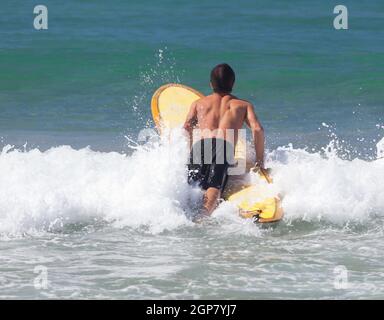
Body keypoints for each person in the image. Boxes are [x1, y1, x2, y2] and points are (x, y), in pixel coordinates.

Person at [183, 63, 265, 217]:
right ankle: (203, 218)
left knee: (192, 184)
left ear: (210, 84)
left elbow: (187, 127)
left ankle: (185, 215)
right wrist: (259, 162)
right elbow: (258, 129)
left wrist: (189, 151)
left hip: (200, 146)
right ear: (233, 83)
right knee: (214, 186)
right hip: (223, 146)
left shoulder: (198, 104)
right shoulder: (242, 105)